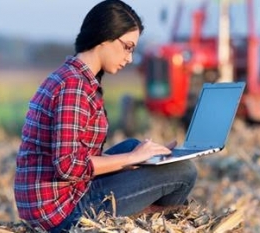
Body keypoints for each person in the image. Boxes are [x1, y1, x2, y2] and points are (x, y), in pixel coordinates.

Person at [13, 0, 198, 232]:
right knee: (184, 172)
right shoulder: (74, 86)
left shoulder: (73, 77)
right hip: (60, 212)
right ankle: (153, 221)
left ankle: (146, 213)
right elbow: (68, 166)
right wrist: (131, 159)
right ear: (105, 37)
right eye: (127, 47)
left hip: (59, 197)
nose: (130, 58)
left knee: (136, 147)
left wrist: (143, 155)